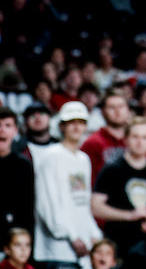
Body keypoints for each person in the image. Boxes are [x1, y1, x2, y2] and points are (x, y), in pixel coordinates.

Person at [33, 101, 103, 269]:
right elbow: (46, 202)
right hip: (57, 251)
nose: (76, 127)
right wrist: (71, 235)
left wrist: (93, 234)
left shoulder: (83, 159)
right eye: (71, 122)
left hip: (82, 249)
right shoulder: (51, 156)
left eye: (81, 122)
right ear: (62, 126)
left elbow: (82, 202)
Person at [91, 117, 146, 258]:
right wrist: (128, 216)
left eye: (144, 137)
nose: (139, 142)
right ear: (126, 140)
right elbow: (95, 207)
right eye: (135, 137)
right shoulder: (112, 170)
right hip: (117, 245)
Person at [0, 107, 35, 246]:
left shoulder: (23, 165)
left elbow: (27, 210)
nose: (2, 130)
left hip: (12, 242)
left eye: (7, 125)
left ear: (15, 131)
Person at [80, 93, 129, 188]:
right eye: (112, 107)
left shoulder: (138, 138)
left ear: (128, 110)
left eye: (121, 106)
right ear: (102, 112)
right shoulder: (92, 142)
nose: (117, 111)